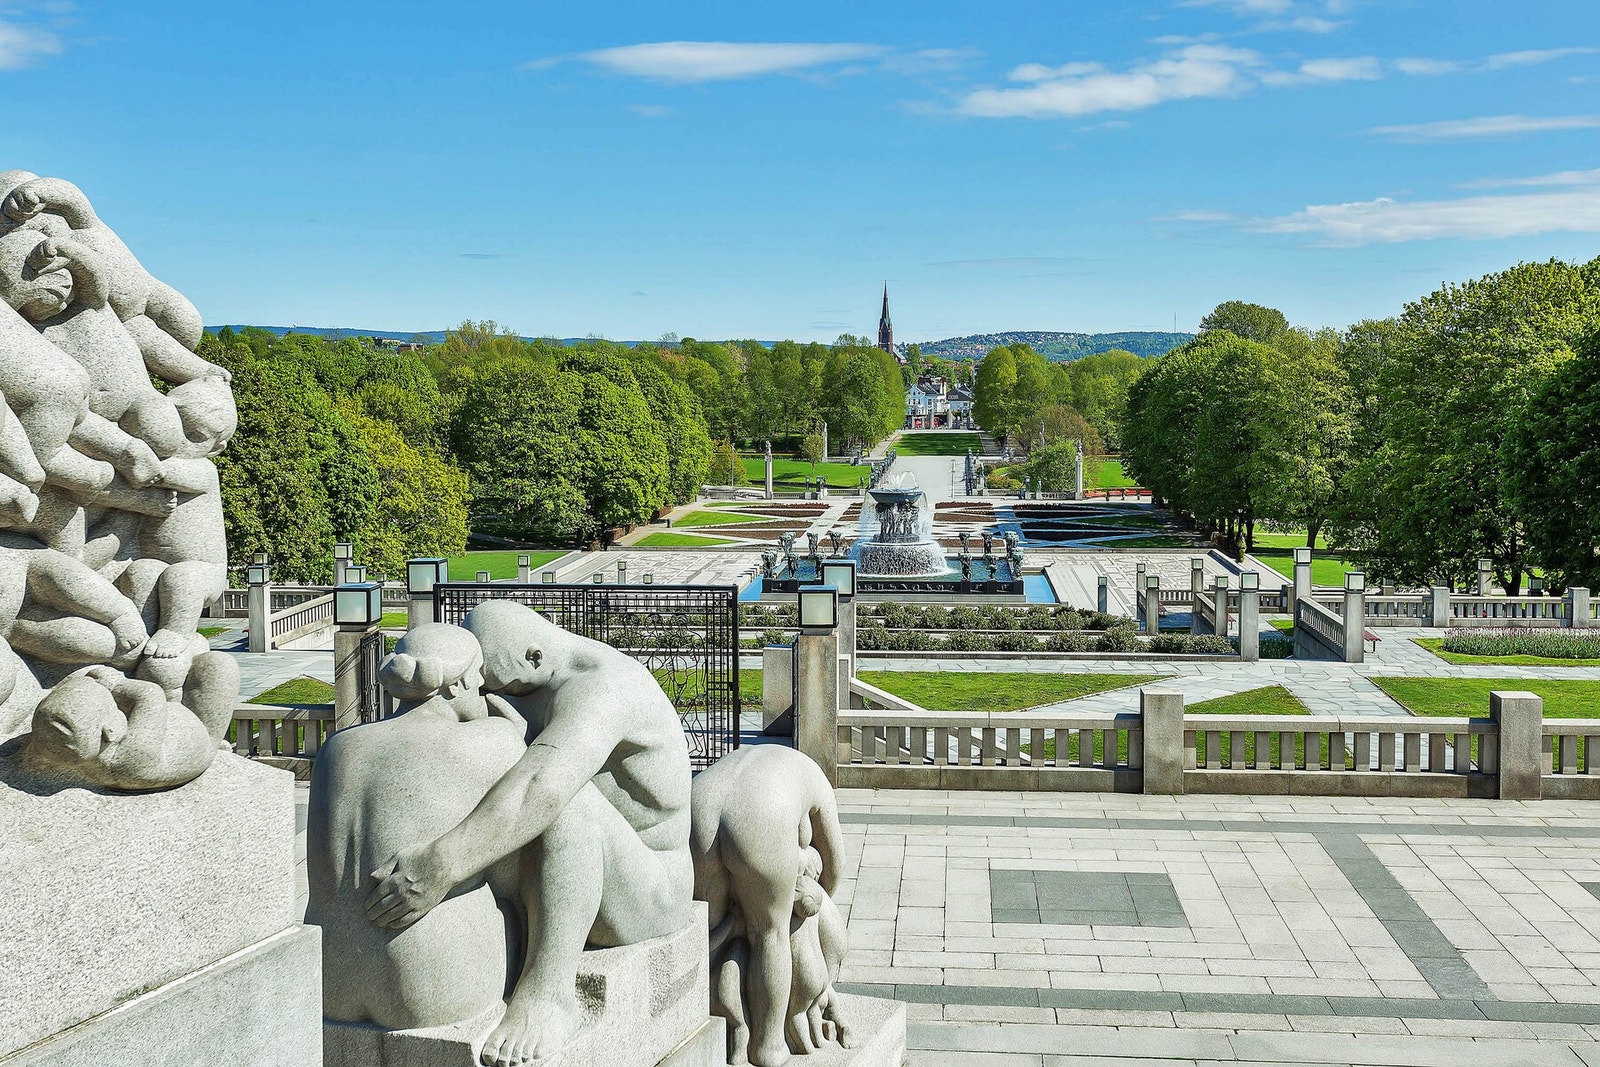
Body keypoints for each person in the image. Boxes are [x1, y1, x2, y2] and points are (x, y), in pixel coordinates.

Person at [363, 601, 694, 1067]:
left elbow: (542, 786)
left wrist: (442, 862)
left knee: (562, 799)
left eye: (501, 684)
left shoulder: (606, 688)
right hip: (569, 874)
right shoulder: (533, 675)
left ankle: (548, 994)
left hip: (650, 890)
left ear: (534, 658)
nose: (489, 693)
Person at [22, 656, 237, 791]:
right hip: (200, 730)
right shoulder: (132, 755)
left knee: (161, 667)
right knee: (218, 665)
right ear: (112, 731)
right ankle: (215, 740)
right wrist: (116, 684)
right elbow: (150, 695)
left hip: (168, 724)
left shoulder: (86, 752)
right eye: (112, 703)